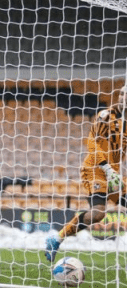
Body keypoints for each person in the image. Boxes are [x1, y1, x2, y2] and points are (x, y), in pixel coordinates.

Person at [46, 85, 127, 262]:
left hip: (114, 173)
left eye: (126, 94)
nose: (123, 97)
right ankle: (57, 238)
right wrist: (106, 168)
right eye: (121, 93)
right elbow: (92, 144)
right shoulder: (106, 116)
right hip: (96, 170)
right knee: (98, 214)